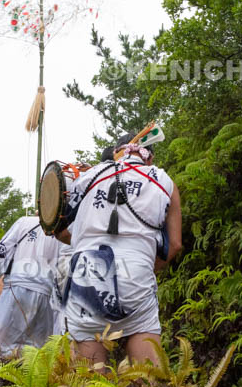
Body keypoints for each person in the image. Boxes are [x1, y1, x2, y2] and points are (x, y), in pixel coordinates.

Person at [55, 137, 182, 366]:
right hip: (137, 275)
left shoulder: (89, 175)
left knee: (88, 386)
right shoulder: (164, 180)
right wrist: (147, 266)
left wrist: (85, 242)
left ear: (116, 152)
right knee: (147, 382)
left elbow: (57, 227)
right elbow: (174, 245)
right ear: (149, 157)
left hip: (87, 273)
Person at [0, 214, 63, 356]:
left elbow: (2, 250)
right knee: (37, 350)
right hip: (47, 293)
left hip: (16, 286)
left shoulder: (24, 222)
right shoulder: (64, 228)